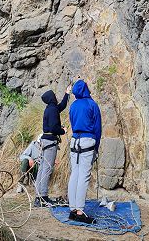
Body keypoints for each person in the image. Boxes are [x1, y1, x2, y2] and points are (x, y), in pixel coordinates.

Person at [68, 79, 102, 224]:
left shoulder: (73, 105)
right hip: (88, 141)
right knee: (84, 176)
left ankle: (72, 209)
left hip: (74, 141)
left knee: (74, 173)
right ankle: (80, 211)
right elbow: (97, 128)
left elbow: (72, 122)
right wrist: (96, 147)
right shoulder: (92, 104)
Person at [34, 85, 71, 207]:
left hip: (45, 141)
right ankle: (43, 197)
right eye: (54, 95)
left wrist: (67, 93)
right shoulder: (52, 109)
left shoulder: (50, 108)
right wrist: (63, 131)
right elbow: (55, 128)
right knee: (47, 169)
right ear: (51, 98)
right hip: (50, 142)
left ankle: (38, 196)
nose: (55, 97)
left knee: (42, 168)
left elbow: (62, 106)